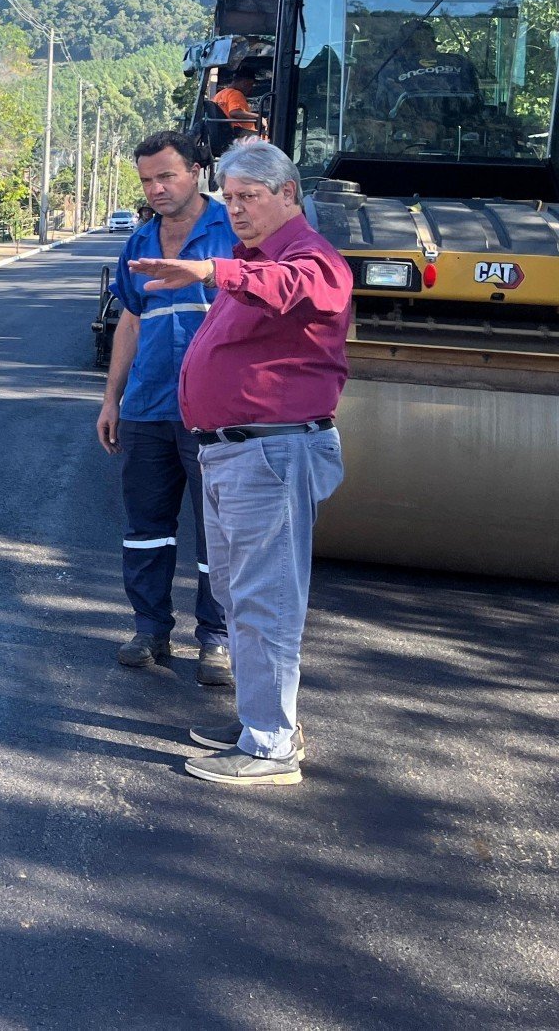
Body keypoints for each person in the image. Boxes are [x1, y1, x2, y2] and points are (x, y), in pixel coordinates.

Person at [129, 140, 351, 787]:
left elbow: (303, 290)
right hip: (234, 453)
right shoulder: (253, 258)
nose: (236, 210)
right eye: (229, 198)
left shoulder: (309, 257)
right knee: (237, 594)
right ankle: (262, 719)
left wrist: (210, 273)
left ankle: (271, 746)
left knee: (265, 603)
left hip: (271, 453)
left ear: (288, 193)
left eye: (248, 197)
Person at [96, 130, 235, 684]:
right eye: (148, 179)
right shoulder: (140, 241)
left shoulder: (233, 231)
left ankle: (217, 639)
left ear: (197, 171)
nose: (156, 188)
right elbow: (129, 320)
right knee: (146, 527)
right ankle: (150, 629)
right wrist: (112, 398)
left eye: (166, 176)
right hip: (148, 406)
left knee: (219, 531)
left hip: (216, 410)